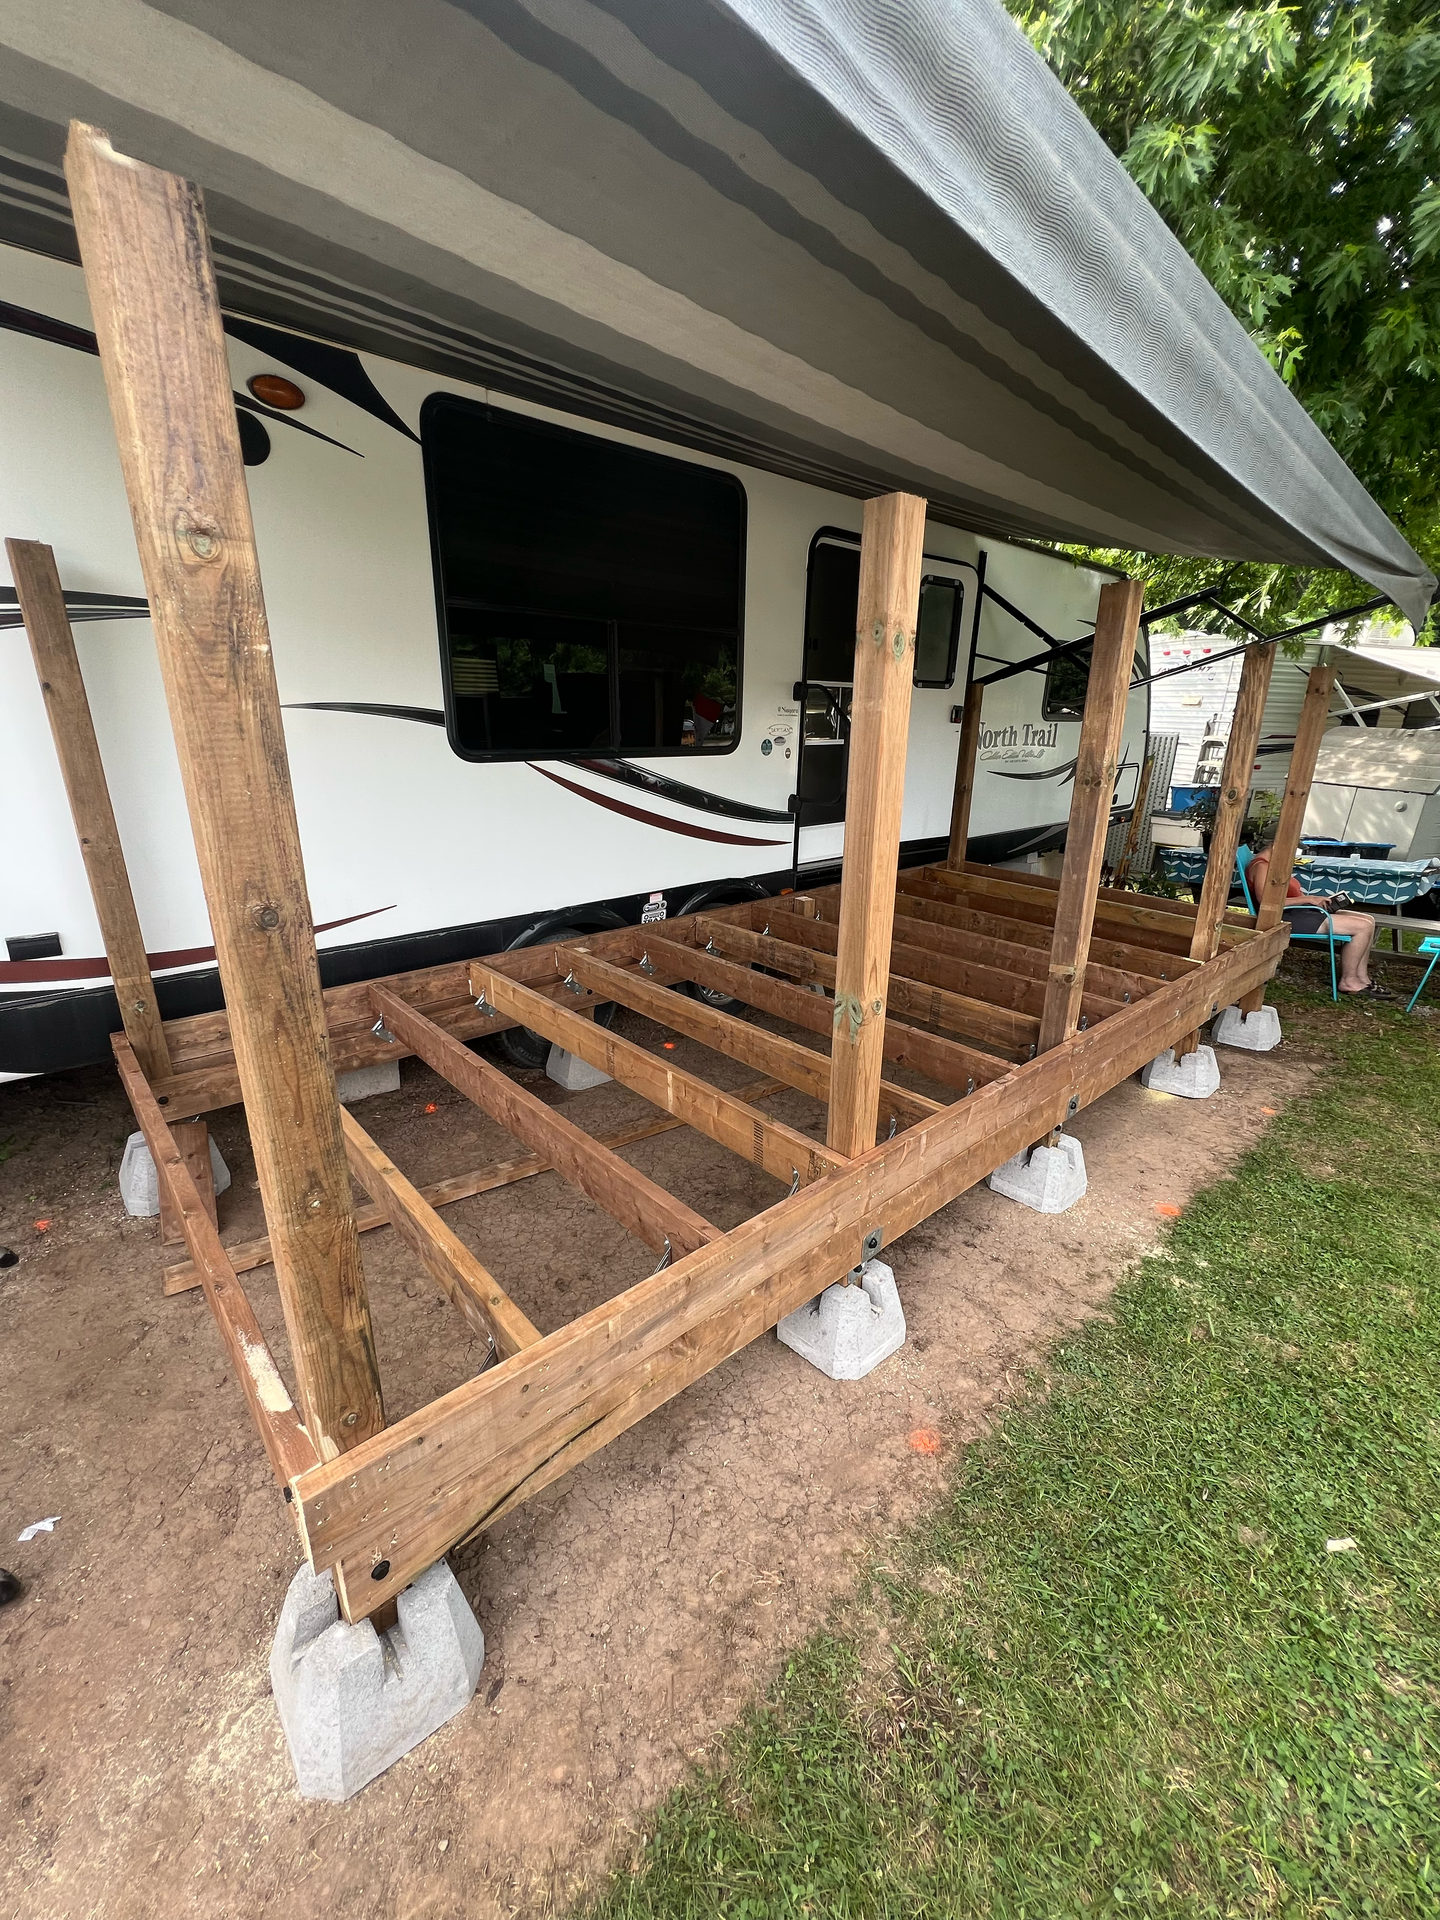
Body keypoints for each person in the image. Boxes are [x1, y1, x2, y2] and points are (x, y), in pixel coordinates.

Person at [1245, 835, 1388, 997]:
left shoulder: (1274, 864)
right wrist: (1308, 899)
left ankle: (1362, 979)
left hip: (1298, 911)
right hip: (1286, 917)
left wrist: (1312, 900)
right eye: (1293, 847)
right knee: (1361, 927)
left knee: (1368, 920)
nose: (1294, 852)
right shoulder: (1262, 866)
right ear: (1276, 843)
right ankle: (1349, 981)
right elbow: (1267, 902)